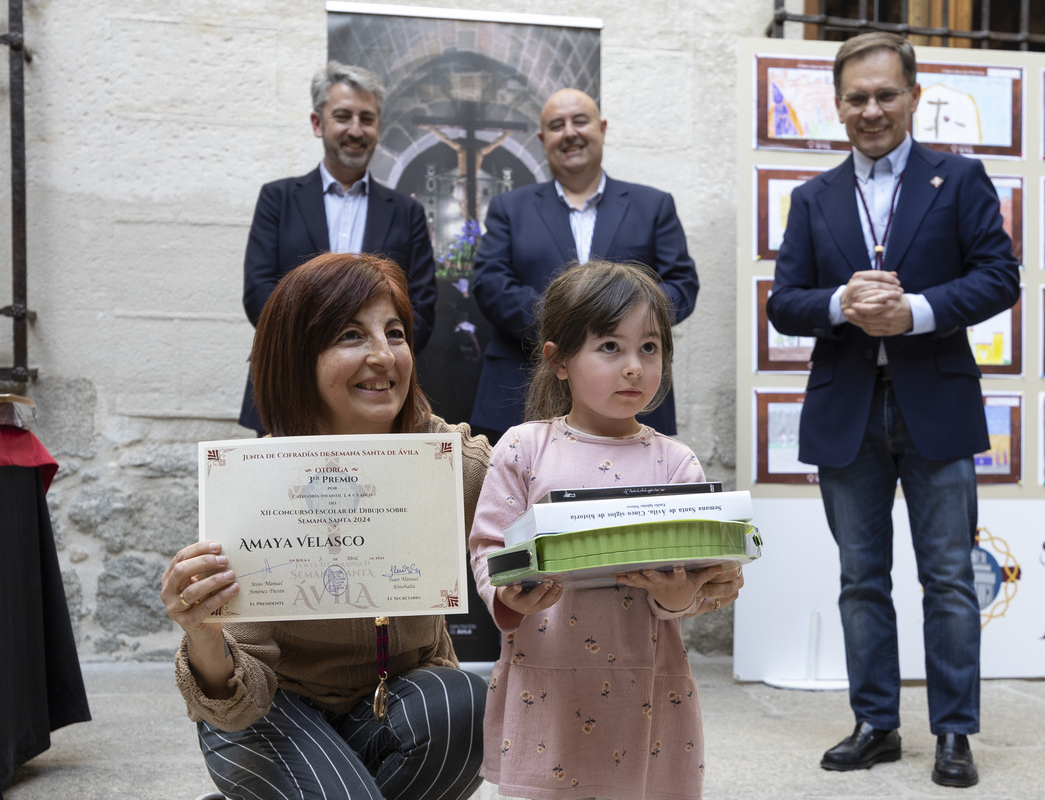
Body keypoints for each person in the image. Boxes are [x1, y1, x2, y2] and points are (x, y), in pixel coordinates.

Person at [766, 32, 1020, 789]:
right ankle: (875, 723)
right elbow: (785, 304)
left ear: (913, 95)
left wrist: (913, 311)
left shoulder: (961, 179)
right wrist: (841, 304)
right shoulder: (813, 198)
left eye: (884, 94)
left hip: (934, 406)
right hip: (847, 411)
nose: (871, 109)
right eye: (856, 97)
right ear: (837, 106)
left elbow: (999, 278)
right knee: (860, 579)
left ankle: (953, 733)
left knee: (947, 578)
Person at [163, 253, 487, 800]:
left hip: (393, 708)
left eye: (395, 333)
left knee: (465, 708)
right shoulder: (253, 483)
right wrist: (202, 632)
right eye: (350, 335)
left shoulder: (444, 464)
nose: (383, 356)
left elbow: (543, 494)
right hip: (268, 714)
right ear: (298, 356)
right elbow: (236, 700)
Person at [468, 260, 743, 800]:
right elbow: (489, 545)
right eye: (610, 347)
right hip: (545, 673)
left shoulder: (676, 462)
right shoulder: (524, 447)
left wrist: (679, 593)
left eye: (650, 348)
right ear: (560, 360)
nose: (634, 367)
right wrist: (510, 596)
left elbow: (702, 579)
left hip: (645, 678)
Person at [469, 88, 699, 441]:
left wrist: (618, 323)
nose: (570, 132)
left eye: (580, 121)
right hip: (522, 394)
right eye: (557, 125)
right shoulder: (509, 208)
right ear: (543, 139)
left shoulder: (653, 206)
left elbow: (682, 284)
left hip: (630, 399)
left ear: (602, 128)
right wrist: (572, 327)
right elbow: (490, 282)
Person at [239, 61, 438, 435]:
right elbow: (258, 292)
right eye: (343, 116)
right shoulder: (278, 199)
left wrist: (379, 361)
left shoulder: (407, 211)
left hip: (375, 396)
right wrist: (321, 356)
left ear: (379, 126)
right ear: (318, 123)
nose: (356, 130)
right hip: (287, 389)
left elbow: (421, 306)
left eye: (367, 118)